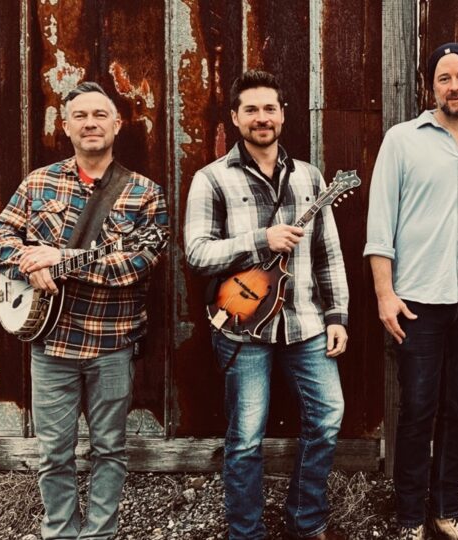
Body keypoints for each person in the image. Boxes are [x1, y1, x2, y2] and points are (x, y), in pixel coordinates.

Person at [0, 82, 168, 539]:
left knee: (110, 450)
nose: (90, 123)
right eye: (80, 116)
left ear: (117, 124)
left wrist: (62, 259)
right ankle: (60, 533)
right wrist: (27, 265)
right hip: (51, 345)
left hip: (112, 343)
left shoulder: (144, 193)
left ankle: (99, 534)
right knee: (54, 454)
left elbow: (140, 262)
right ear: (65, 127)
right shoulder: (38, 183)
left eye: (100, 115)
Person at [364, 42, 458, 540]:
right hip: (417, 303)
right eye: (444, 78)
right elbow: (379, 228)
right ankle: (410, 516)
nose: (455, 87)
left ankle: (445, 510)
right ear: (430, 87)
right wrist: (385, 295)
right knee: (417, 411)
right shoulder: (402, 141)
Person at [184, 70, 349, 540]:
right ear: (235, 118)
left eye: (270, 109)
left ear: (283, 115)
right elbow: (196, 253)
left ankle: (306, 520)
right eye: (251, 109)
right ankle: (246, 532)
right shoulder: (211, 179)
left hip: (305, 322)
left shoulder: (310, 177)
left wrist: (337, 316)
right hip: (242, 324)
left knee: (327, 417)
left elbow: (328, 254)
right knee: (245, 438)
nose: (262, 118)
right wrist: (261, 239)